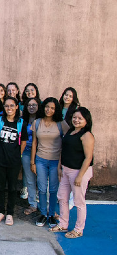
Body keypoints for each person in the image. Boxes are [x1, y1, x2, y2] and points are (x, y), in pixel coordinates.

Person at [51, 107, 94, 238]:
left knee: (78, 201)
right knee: (62, 197)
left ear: (86, 120)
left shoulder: (87, 135)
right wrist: (60, 168)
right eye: (74, 117)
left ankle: (78, 229)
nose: (76, 120)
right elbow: (63, 150)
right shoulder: (70, 131)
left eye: (80, 118)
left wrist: (80, 176)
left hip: (79, 172)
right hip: (66, 170)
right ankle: (63, 224)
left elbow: (88, 157)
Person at [31, 97, 69, 227]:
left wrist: (63, 162)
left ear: (56, 109)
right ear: (43, 107)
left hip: (55, 162)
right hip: (40, 160)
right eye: (47, 107)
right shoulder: (37, 122)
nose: (49, 110)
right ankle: (43, 213)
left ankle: (51, 215)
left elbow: (69, 139)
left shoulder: (61, 123)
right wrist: (32, 162)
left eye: (52, 108)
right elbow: (34, 143)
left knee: (53, 189)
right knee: (41, 188)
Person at [0, 97, 28, 226]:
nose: (9, 108)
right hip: (0, 160)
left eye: (12, 106)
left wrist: (17, 155)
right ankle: (1, 211)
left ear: (17, 107)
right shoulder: (0, 120)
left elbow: (23, 142)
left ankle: (10, 213)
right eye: (6, 106)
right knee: (1, 187)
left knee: (12, 188)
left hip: (14, 161)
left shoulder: (21, 123)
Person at [20, 97, 40, 215]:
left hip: (41, 152)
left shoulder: (42, 120)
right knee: (29, 179)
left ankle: (44, 205)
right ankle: (33, 204)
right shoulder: (22, 120)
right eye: (29, 105)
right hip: (26, 151)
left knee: (43, 180)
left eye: (34, 105)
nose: (31, 107)